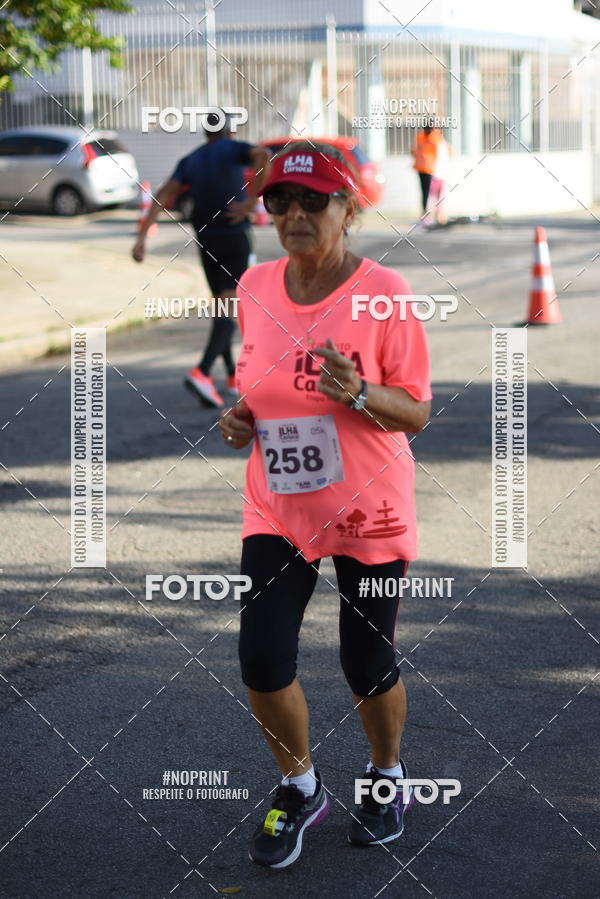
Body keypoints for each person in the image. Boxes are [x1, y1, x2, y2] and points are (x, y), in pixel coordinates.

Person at [218, 140, 432, 868]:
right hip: (278, 503)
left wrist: (359, 392)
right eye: (281, 200)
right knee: (262, 657)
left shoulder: (386, 291)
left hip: (368, 508)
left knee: (365, 659)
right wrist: (239, 418)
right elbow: (255, 390)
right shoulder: (254, 286)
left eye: (315, 200)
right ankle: (300, 785)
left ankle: (386, 773)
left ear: (348, 208)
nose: (296, 213)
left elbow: (417, 411)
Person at [132, 110, 271, 408]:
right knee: (231, 306)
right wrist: (251, 202)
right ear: (230, 132)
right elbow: (264, 157)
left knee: (223, 304)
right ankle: (203, 371)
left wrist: (142, 237)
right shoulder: (233, 148)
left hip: (206, 239)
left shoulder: (191, 159)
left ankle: (233, 376)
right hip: (234, 236)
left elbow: (162, 194)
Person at [411, 121, 442, 225]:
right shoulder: (420, 137)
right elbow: (415, 150)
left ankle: (434, 214)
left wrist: (433, 133)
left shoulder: (435, 137)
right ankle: (425, 214)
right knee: (424, 192)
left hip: (430, 169)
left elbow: (437, 149)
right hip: (421, 168)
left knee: (431, 193)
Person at [427, 131, 452, 226]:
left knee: (433, 198)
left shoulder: (436, 145)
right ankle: (437, 218)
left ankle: (437, 218)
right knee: (436, 198)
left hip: (437, 175)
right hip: (438, 175)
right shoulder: (443, 145)